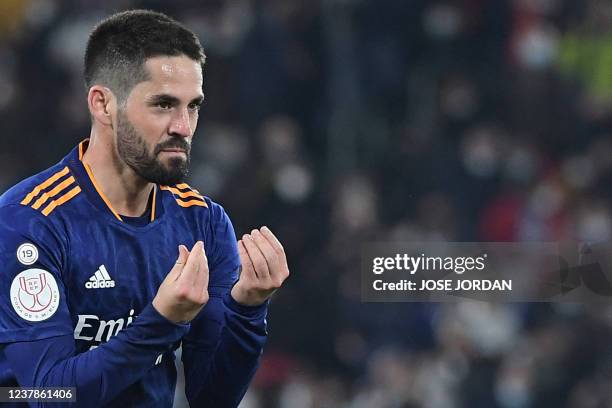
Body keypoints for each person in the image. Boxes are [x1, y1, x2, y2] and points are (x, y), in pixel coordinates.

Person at [0, 9, 290, 407]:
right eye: (163, 105)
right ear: (103, 105)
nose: (183, 127)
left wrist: (248, 310)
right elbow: (50, 394)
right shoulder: (29, 222)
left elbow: (212, 397)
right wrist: (161, 321)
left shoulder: (202, 221)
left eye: (193, 106)